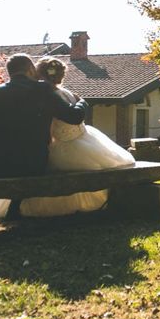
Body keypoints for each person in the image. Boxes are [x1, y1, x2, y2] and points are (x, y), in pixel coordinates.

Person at [16, 57, 136, 217]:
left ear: (39, 74)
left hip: (62, 145)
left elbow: (50, 126)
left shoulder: (46, 96)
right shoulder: (70, 94)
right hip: (85, 140)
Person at [0, 54, 89, 178]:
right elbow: (74, 117)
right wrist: (82, 102)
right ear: (30, 70)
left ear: (10, 72)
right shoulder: (42, 90)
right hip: (30, 166)